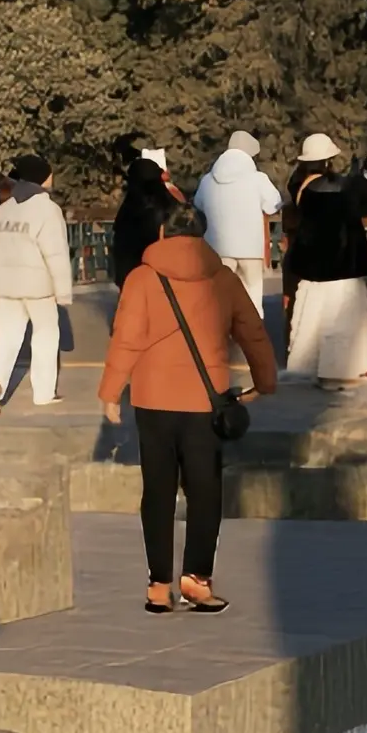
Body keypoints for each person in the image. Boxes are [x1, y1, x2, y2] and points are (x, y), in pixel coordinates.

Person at [99, 200, 276, 611]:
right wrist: (265, 381)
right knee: (205, 490)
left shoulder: (142, 279)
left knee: (158, 490)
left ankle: (158, 585)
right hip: (205, 401)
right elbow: (252, 332)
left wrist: (111, 391)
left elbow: (126, 337)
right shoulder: (223, 278)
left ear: (163, 233)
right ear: (202, 235)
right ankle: (197, 579)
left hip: (153, 399)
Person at [281, 134, 367, 385]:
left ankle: (304, 369)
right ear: (328, 161)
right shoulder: (350, 186)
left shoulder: (300, 188)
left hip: (312, 270)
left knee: (310, 321)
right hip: (345, 266)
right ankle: (337, 372)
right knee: (342, 322)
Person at [0, 155, 72, 411]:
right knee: (45, 335)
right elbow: (56, 253)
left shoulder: (4, 209)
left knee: (5, 337)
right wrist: (63, 292)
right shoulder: (47, 209)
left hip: (4, 286)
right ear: (42, 178)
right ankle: (43, 392)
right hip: (37, 286)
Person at [193, 132, 282, 317]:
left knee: (220, 301)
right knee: (252, 299)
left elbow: (198, 204)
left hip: (217, 249)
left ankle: (223, 334)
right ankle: (253, 332)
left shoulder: (207, 180)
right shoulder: (258, 178)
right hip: (250, 249)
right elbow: (273, 205)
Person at [109, 147, 180, 289]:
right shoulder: (171, 207)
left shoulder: (126, 211)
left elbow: (121, 256)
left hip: (134, 285)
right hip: (167, 283)